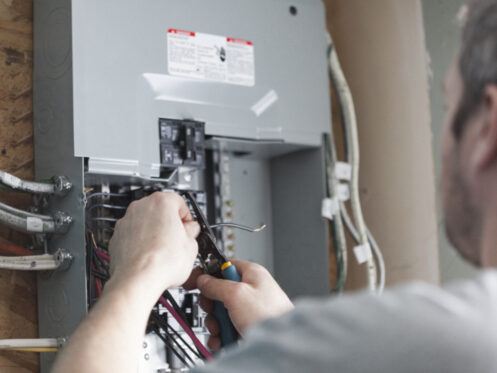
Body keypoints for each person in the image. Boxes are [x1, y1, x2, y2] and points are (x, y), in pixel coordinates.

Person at [52, 0, 497, 372]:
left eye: (447, 103)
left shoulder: (435, 339)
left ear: (487, 130)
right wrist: (285, 334)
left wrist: (139, 272)